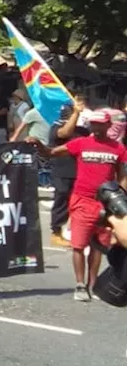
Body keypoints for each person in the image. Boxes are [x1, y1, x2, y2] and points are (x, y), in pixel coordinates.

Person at [29, 109, 127, 302]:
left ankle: (93, 285)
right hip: (82, 200)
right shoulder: (80, 143)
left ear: (108, 125)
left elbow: (122, 175)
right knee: (79, 245)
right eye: (93, 123)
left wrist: (120, 196)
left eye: (100, 124)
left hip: (106, 204)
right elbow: (50, 153)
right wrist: (37, 143)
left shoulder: (118, 148)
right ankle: (80, 284)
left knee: (99, 246)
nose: (96, 127)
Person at [48, 97, 90, 249]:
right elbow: (64, 133)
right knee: (62, 199)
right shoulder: (57, 125)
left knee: (77, 202)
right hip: (62, 170)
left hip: (79, 170)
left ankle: (76, 231)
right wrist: (76, 114)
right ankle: (56, 231)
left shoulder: (83, 129)